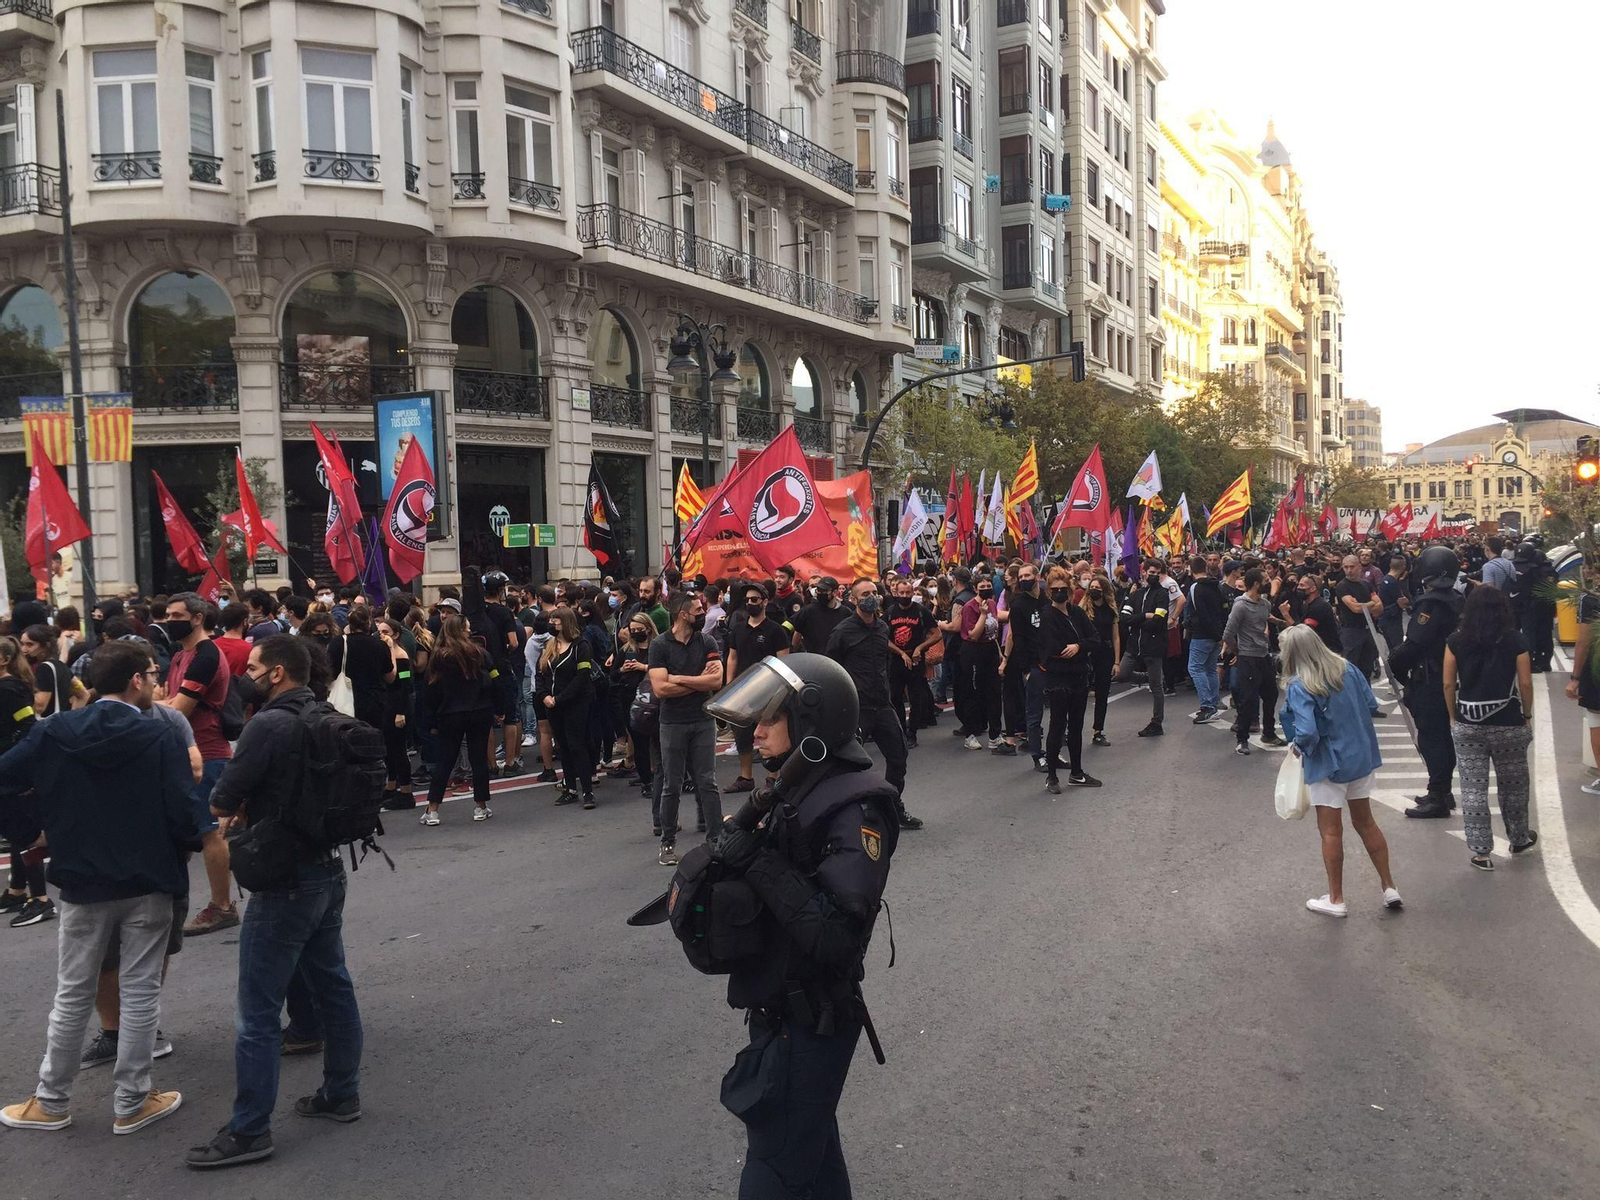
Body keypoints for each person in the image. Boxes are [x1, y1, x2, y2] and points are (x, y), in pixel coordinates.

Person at [695, 653, 898, 1197]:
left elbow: (836, 936)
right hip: (782, 1012)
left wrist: (756, 860)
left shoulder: (856, 808)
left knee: (776, 1174)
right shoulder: (794, 789)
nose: (755, 732)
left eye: (770, 720)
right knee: (816, 1169)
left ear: (812, 724)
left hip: (813, 1020)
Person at [0, 642, 195, 1135]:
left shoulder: (53, 732)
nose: (154, 683)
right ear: (134, 681)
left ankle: (52, 1100)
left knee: (72, 992)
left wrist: (32, 831)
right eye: (151, 675)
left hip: (81, 878)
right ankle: (131, 1100)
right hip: (149, 876)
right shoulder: (159, 735)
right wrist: (184, 850)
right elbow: (180, 807)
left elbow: (5, 774)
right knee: (141, 988)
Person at [185, 636, 364, 1169]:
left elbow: (221, 797)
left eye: (256, 667)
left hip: (283, 878)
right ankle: (341, 1092)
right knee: (334, 985)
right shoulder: (324, 714)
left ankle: (249, 1130)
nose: (249, 674)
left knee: (258, 1011)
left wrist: (239, 803)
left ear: (278, 673)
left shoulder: (269, 723)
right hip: (328, 870)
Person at [1277, 625, 1400, 918]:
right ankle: (1389, 886)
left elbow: (1306, 731)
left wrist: (1297, 748)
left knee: (1331, 831)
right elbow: (1370, 704)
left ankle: (1336, 899)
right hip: (1361, 757)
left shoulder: (1299, 684)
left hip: (1329, 764)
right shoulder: (1348, 669)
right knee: (1366, 823)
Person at [1444, 586, 1537, 871]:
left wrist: (1452, 716)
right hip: (1508, 721)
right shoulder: (1516, 640)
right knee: (1514, 784)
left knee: (1473, 788)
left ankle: (1481, 852)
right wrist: (1527, 715)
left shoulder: (1455, 641)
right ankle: (1519, 837)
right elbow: (1525, 683)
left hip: (1468, 722)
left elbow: (1448, 683)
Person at [163, 594, 238, 937]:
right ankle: (173, 900)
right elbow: (169, 700)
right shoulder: (181, 654)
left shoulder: (206, 655)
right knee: (185, 832)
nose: (168, 620)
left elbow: (178, 708)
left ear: (196, 618)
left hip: (207, 754)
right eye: (167, 615)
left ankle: (222, 906)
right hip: (186, 753)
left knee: (212, 833)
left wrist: (143, 701)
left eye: (176, 615)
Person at [827, 578, 923, 831]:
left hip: (883, 705)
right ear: (853, 599)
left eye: (874, 592)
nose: (872, 597)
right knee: (850, 764)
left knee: (899, 757)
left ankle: (891, 806)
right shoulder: (842, 632)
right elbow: (832, 668)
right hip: (856, 709)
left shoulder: (882, 627)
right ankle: (848, 815)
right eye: (865, 593)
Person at [648, 591, 724, 867]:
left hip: (703, 720)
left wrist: (678, 678)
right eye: (697, 609)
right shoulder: (660, 645)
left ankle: (717, 839)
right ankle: (667, 843)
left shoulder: (707, 641)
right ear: (683, 614)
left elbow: (716, 680)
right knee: (672, 784)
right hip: (672, 723)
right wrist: (697, 681)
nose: (702, 612)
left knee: (708, 782)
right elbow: (659, 689)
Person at [1388, 546, 1465, 818]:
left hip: (1430, 679)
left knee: (1433, 738)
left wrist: (1395, 663)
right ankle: (1443, 790)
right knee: (1443, 737)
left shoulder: (1432, 604)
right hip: (1449, 679)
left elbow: (1416, 644)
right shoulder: (1456, 598)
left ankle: (1438, 796)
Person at [419, 616, 501, 826]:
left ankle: (433, 809)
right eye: (467, 628)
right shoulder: (480, 654)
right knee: (478, 759)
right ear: (460, 631)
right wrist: (500, 707)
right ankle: (480, 806)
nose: (469, 631)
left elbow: (430, 691)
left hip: (450, 713)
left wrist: (431, 721)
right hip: (479, 710)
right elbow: (495, 680)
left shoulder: (439, 658)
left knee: (445, 760)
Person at [723, 582, 794, 791]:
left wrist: (781, 689)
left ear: (764, 601)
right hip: (743, 689)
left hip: (770, 690)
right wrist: (729, 684)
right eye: (747, 600)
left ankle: (773, 777)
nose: (750, 603)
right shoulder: (738, 629)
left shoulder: (776, 631)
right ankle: (746, 778)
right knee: (743, 735)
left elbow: (784, 661)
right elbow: (732, 657)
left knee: (770, 734)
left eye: (754, 599)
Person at [1038, 565, 1100, 794]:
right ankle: (1052, 776)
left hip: (1079, 677)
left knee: (1076, 726)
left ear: (1070, 589)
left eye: (1063, 588)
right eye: (1055, 589)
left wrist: (1078, 646)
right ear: (1049, 592)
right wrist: (1078, 647)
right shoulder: (1047, 616)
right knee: (1057, 725)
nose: (1059, 593)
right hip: (1058, 679)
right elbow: (1053, 647)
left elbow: (1094, 638)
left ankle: (1077, 772)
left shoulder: (1077, 613)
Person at [0, 636, 47, 927]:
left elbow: (28, 726)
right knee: (15, 832)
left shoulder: (9, 689)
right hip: (8, 770)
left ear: (4, 659)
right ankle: (18, 891)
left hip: (11, 773)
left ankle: (41, 899)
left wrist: (9, 761)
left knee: (23, 833)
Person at [541, 606, 598, 810]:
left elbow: (582, 676)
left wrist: (560, 698)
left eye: (555, 621)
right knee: (563, 747)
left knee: (577, 746)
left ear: (565, 623)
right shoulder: (550, 646)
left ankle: (588, 791)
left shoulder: (581, 646)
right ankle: (570, 789)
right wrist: (545, 696)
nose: (551, 625)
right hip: (553, 705)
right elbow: (542, 674)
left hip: (576, 704)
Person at [1222, 568, 1284, 754]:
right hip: (1247, 658)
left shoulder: (1265, 604)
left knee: (1271, 695)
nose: (1268, 582)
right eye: (1265, 580)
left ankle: (1269, 733)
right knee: (1248, 699)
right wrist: (1236, 651)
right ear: (1256, 584)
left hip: (1264, 656)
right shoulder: (1240, 605)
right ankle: (1242, 739)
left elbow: (1268, 621)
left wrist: (1284, 621)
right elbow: (1228, 633)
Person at [1118, 559, 1173, 737]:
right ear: (1144, 572)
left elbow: (1159, 619)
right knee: (1122, 674)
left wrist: (1138, 622)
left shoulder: (1163, 594)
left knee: (1156, 687)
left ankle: (1157, 723)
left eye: (1158, 573)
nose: (1154, 576)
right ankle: (1145, 677)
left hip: (1154, 646)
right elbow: (1124, 617)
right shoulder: (1135, 594)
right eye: (1151, 572)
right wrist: (1144, 616)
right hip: (1134, 645)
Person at [996, 561, 1045, 761]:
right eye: (1021, 577)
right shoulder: (1018, 605)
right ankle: (1035, 752)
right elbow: (1014, 636)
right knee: (1030, 706)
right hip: (1027, 661)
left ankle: (1051, 745)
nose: (1024, 579)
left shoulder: (1047, 601)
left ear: (1038, 577)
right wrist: (1010, 661)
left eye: (1028, 576)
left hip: (1049, 661)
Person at [480, 572, 525, 775]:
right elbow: (513, 642)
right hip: (502, 667)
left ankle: (490, 765)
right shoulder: (504, 612)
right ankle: (509, 762)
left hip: (482, 668)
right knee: (510, 715)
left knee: (487, 718)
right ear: (500, 590)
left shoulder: (477, 611)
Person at [885, 576, 939, 747]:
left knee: (916, 698)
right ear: (896, 593)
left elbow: (936, 634)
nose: (905, 595)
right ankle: (900, 729)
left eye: (908, 592)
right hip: (896, 660)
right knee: (895, 697)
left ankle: (912, 732)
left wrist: (920, 648)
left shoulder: (922, 611)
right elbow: (883, 638)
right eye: (902, 592)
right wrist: (900, 653)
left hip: (916, 660)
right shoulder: (890, 613)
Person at [956, 573, 1004, 747]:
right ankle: (970, 735)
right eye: (981, 587)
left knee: (994, 693)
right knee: (973, 694)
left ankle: (995, 735)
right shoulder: (970, 607)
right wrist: (983, 615)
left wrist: (999, 653)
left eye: (988, 586)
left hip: (990, 650)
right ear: (975, 588)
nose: (986, 589)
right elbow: (974, 635)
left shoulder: (992, 603)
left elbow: (994, 631)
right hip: (973, 652)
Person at [373, 617, 415, 811]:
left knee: (399, 750)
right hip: (386, 706)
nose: (381, 636)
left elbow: (404, 687)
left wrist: (400, 712)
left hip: (398, 706)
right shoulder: (383, 653)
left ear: (396, 635)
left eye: (386, 632)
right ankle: (390, 786)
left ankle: (406, 792)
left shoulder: (401, 655)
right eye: (379, 631)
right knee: (388, 749)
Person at [1185, 556, 1226, 725]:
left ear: (1191, 569)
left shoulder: (1195, 588)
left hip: (1202, 634)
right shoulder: (1217, 586)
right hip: (1216, 633)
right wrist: (1220, 634)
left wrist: (1189, 624)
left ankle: (1207, 706)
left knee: (1195, 668)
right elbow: (1222, 609)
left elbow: (1200, 612)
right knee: (1210, 668)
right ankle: (1214, 700)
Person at [1083, 572, 1119, 747]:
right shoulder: (1083, 609)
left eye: (1098, 588)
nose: (1094, 590)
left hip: (1105, 653)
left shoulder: (1110, 610)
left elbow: (1115, 637)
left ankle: (1098, 731)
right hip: (1087, 654)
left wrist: (1117, 662)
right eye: (1092, 587)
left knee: (1102, 693)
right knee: (1080, 693)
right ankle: (1069, 730)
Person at [1333, 555, 1382, 679]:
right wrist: (1371, 603)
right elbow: (1355, 609)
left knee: (1367, 668)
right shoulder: (1342, 586)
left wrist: (1364, 606)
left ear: (1359, 567)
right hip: (1351, 631)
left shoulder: (1366, 584)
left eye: (1352, 567)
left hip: (1367, 629)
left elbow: (1380, 606)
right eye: (1346, 567)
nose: (1349, 570)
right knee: (1349, 669)